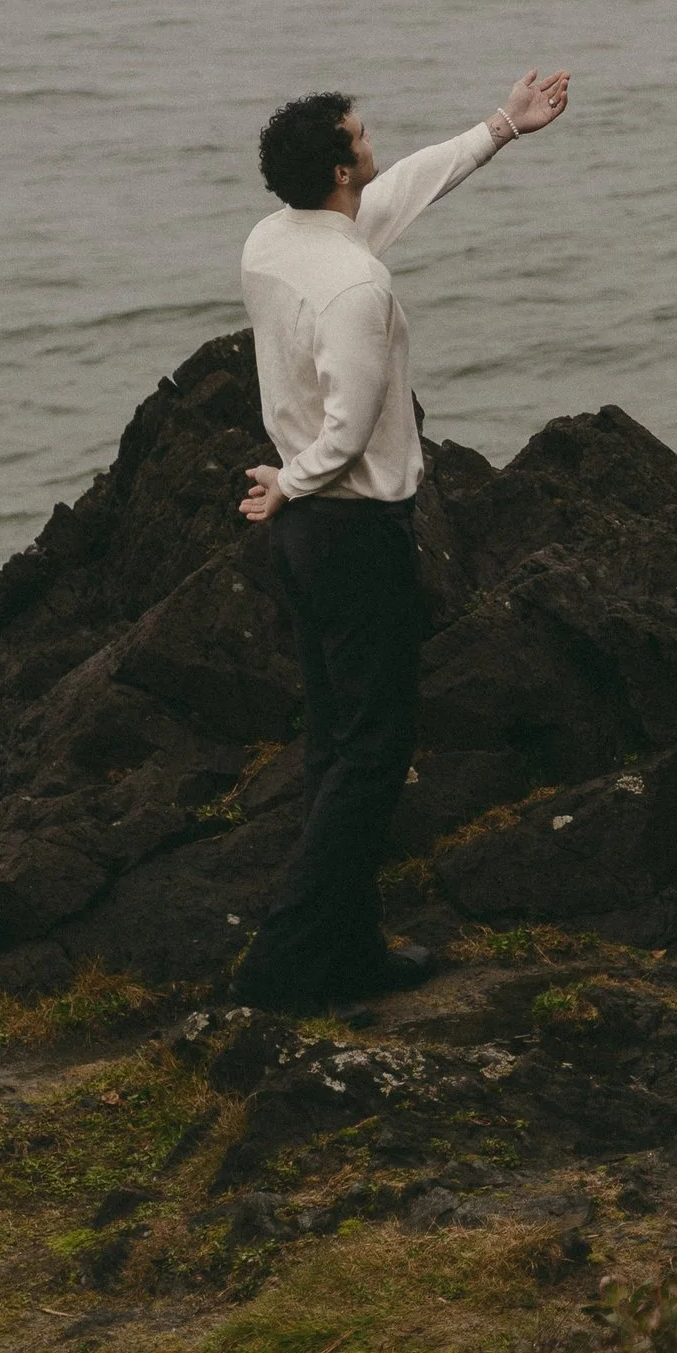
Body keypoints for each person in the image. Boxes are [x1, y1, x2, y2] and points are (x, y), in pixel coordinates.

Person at [232, 67, 569, 1010]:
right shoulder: (356, 288)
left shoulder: (276, 242)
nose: (374, 141)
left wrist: (501, 127)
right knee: (373, 756)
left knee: (337, 749)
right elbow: (348, 425)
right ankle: (282, 967)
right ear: (342, 169)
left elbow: (402, 191)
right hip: (351, 534)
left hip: (307, 540)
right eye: (362, 134)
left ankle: (348, 953)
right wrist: (290, 483)